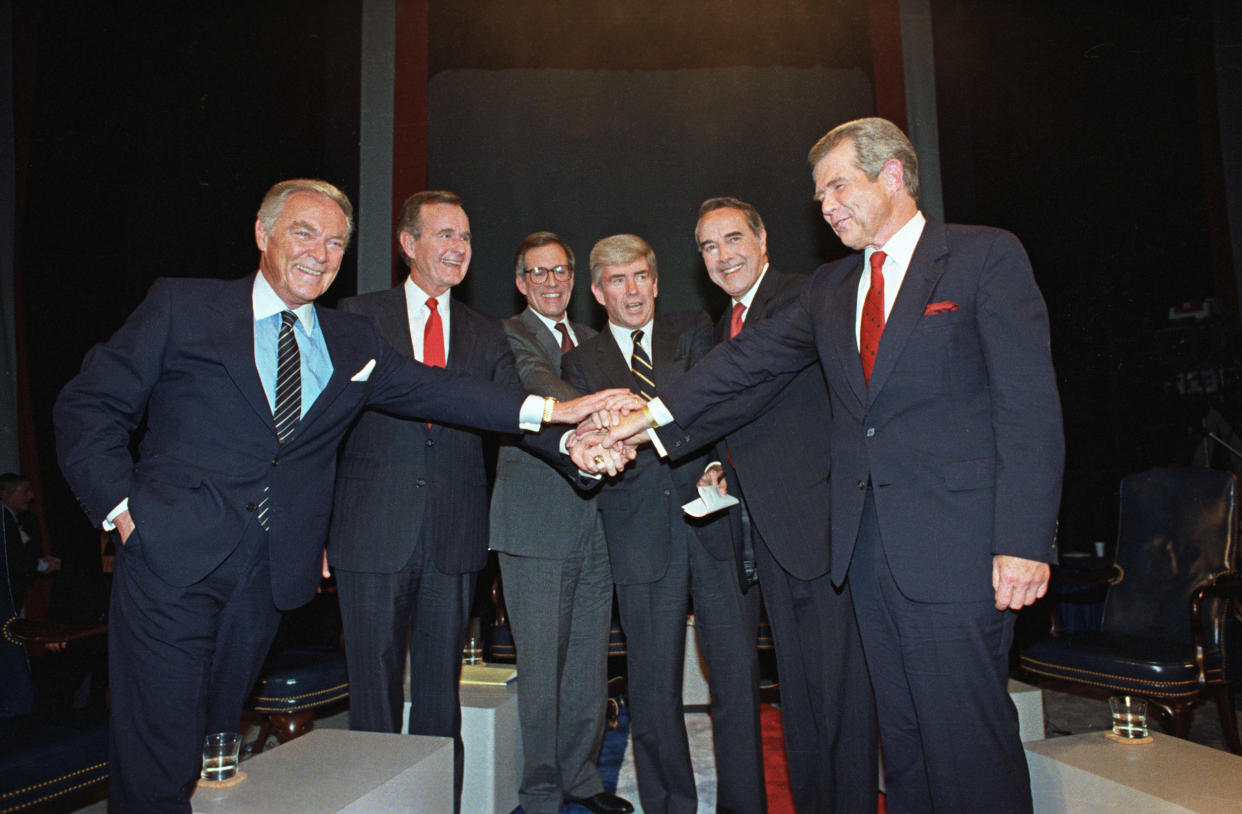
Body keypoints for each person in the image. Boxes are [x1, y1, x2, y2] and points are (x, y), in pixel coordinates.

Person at [52, 179, 618, 814]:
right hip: (170, 562)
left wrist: (557, 413)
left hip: (268, 578)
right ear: (263, 235)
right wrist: (123, 514)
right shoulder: (184, 307)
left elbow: (447, 392)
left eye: (337, 243)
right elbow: (88, 406)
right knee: (156, 750)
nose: (320, 254)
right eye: (304, 233)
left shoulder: (348, 340)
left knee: (204, 737)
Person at [602, 118, 1064, 814]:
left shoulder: (982, 257)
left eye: (837, 186)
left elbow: (1030, 410)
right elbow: (742, 363)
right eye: (819, 196)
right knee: (903, 747)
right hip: (867, 560)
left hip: (960, 553)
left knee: (968, 744)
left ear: (894, 175)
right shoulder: (832, 287)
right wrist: (644, 419)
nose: (827, 207)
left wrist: (1024, 542)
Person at [649, 197, 877, 812]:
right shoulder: (728, 321)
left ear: (763, 237)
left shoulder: (802, 295)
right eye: (708, 247)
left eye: (732, 239)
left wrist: (648, 427)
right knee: (798, 701)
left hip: (819, 530)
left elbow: (753, 389)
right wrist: (725, 463)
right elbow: (758, 423)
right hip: (768, 537)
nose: (723, 256)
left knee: (841, 700)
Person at [562, 234, 765, 814]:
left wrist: (715, 462)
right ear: (598, 291)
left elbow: (719, 410)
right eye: (619, 280)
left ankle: (744, 806)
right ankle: (669, 805)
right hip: (639, 537)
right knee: (652, 691)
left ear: (656, 281)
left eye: (643, 277)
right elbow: (578, 457)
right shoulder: (581, 364)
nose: (634, 291)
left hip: (715, 526)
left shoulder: (694, 331)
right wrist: (593, 456)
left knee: (736, 683)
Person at [488, 232, 632, 814]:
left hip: (597, 523)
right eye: (537, 273)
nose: (551, 282)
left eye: (561, 272)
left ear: (575, 280)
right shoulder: (509, 336)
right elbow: (538, 384)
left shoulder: (597, 341)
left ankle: (582, 779)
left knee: (587, 663)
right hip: (534, 523)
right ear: (521, 282)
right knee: (541, 668)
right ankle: (541, 794)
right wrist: (605, 413)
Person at [1, 473, 60, 616]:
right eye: (25, 491)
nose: (31, 497)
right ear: (5, 494)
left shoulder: (12, 519)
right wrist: (43, 565)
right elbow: (12, 560)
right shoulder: (4, 521)